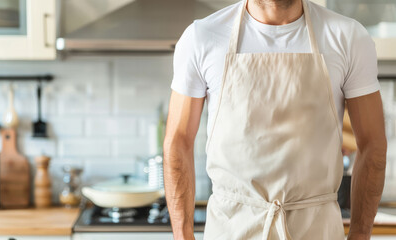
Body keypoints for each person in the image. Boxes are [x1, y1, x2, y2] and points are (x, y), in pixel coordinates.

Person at [163, 0, 387, 239]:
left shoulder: (348, 37)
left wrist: (360, 234)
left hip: (316, 229)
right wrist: (182, 234)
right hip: (231, 228)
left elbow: (372, 144)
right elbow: (178, 141)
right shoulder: (201, 37)